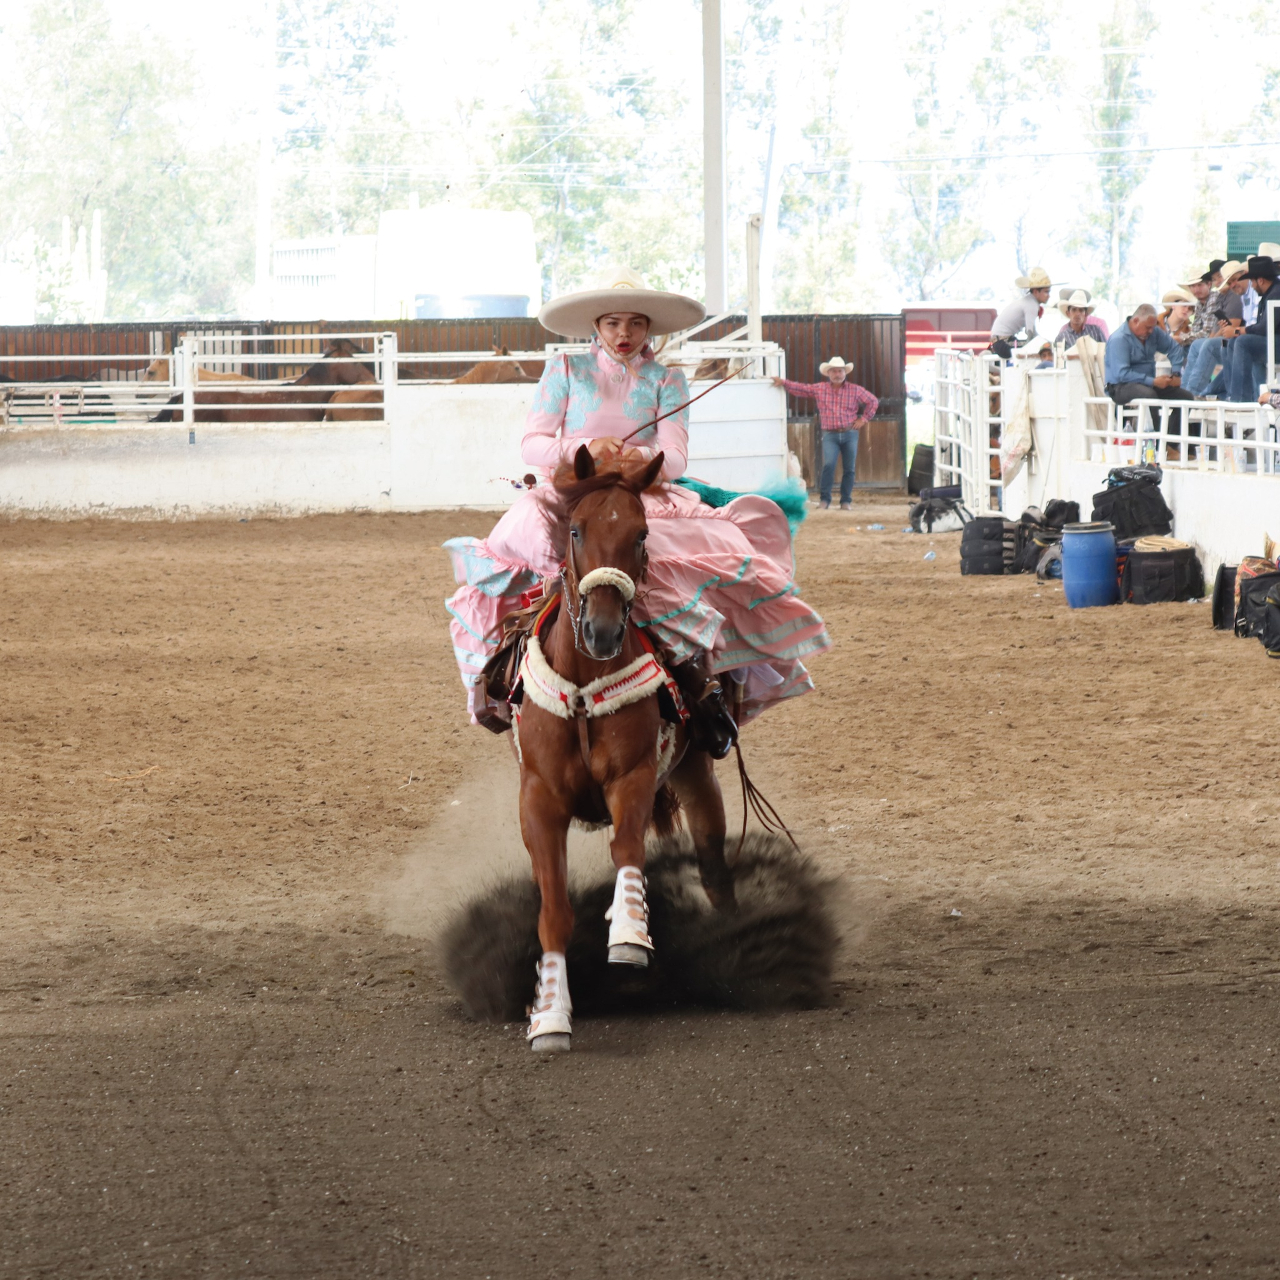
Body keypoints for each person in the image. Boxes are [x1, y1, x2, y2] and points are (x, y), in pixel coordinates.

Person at [443, 266, 831, 739]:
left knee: (699, 551)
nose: (623, 334)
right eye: (612, 323)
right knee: (534, 544)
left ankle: (699, 684)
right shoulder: (565, 370)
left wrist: (634, 458)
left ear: (648, 328)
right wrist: (581, 452)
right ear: (596, 326)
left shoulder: (667, 380)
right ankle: (504, 676)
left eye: (635, 324)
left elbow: (675, 457)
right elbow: (533, 444)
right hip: (571, 494)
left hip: (644, 494)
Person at [772, 356, 878, 511]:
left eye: (840, 371)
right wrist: (784, 382)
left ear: (844, 373)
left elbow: (873, 401)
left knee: (849, 468)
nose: (837, 374)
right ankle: (825, 499)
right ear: (828, 373)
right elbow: (802, 388)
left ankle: (845, 501)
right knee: (829, 465)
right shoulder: (820, 388)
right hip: (830, 433)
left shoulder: (855, 390)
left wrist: (864, 419)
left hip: (849, 432)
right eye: (834, 371)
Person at [1104, 304, 1194, 445]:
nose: (1151, 331)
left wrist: (1176, 374)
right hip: (1120, 387)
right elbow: (1121, 373)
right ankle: (1160, 445)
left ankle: (1170, 444)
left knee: (1186, 397)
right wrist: (1153, 382)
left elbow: (1174, 349)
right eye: (1148, 327)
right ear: (1135, 321)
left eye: (1153, 327)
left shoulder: (1154, 333)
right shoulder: (1119, 339)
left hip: (1148, 383)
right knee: (1149, 395)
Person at [1226, 256, 1280, 403]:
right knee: (1234, 343)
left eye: (1252, 281)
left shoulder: (1276, 293)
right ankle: (1246, 395)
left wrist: (1238, 331)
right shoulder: (1270, 292)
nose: (1252, 285)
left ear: (1260, 280)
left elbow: (1264, 327)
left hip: (1276, 342)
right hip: (1272, 341)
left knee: (1244, 343)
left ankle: (1241, 400)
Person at [990, 267, 1054, 358]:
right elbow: (1030, 332)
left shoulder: (1028, 302)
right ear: (1036, 291)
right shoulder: (1031, 305)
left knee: (1039, 346)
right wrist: (1045, 343)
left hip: (1001, 341)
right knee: (1041, 349)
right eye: (1046, 292)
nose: (1048, 296)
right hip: (1003, 343)